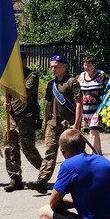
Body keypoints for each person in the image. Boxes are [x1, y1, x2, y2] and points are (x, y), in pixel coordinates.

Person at [31, 54, 81, 193]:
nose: (53, 69)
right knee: (49, 152)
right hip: (53, 123)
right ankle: (42, 181)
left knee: (73, 154)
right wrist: (46, 122)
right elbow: (48, 104)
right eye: (52, 66)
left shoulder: (72, 82)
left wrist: (77, 124)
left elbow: (79, 103)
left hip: (68, 125)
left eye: (56, 67)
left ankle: (79, 179)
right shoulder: (51, 84)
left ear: (64, 66)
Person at [2, 52, 42, 192]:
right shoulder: (11, 77)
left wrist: (8, 83)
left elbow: (24, 92)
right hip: (13, 117)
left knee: (28, 149)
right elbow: (8, 94)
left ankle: (44, 174)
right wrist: (5, 100)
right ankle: (15, 178)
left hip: (26, 117)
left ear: (25, 61)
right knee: (10, 147)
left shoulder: (32, 76)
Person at [78, 55, 107, 155]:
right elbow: (78, 92)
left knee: (94, 130)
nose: (86, 67)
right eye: (85, 65)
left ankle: (91, 154)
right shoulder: (81, 76)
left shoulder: (101, 75)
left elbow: (109, 89)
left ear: (94, 65)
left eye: (89, 65)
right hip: (86, 110)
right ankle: (99, 154)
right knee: (92, 131)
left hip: (98, 108)